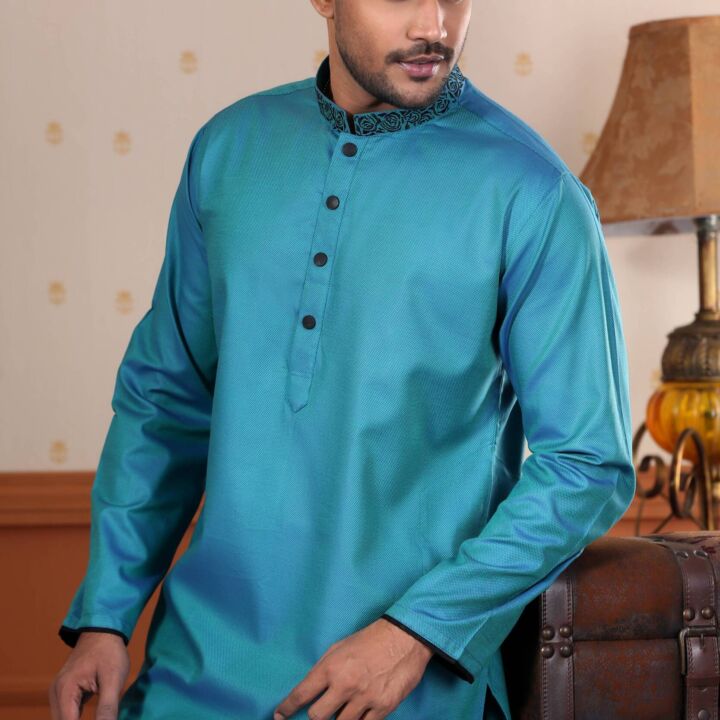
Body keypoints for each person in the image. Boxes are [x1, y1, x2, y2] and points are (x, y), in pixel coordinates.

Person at [49, 0, 637, 718]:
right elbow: (166, 400)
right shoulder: (228, 150)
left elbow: (587, 465)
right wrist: (105, 617)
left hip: (402, 689)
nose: (434, 25)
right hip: (193, 675)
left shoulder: (535, 194)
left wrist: (413, 633)